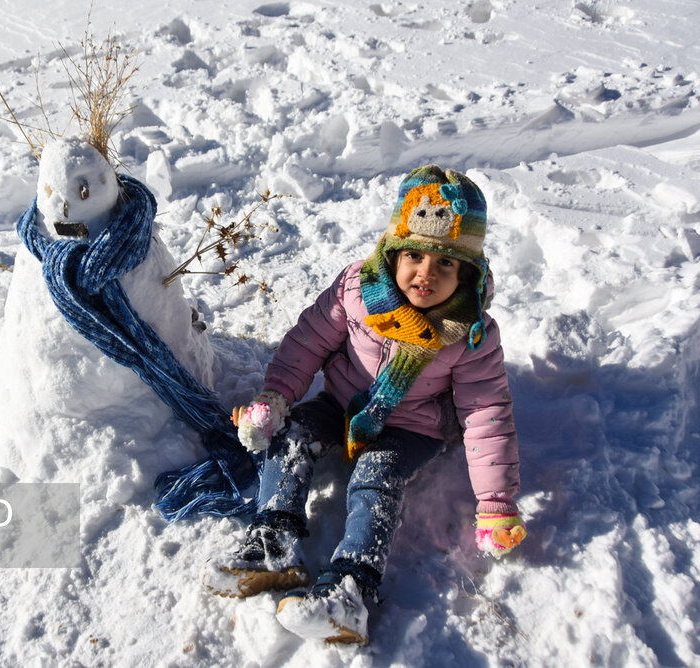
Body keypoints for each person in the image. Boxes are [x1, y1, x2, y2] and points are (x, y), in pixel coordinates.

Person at [202, 165, 526, 645]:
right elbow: (307, 343)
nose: (425, 274)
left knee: (377, 471)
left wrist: (496, 501)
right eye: (414, 254)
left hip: (415, 427)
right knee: (293, 435)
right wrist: (275, 396)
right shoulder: (357, 290)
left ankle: (352, 587)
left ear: (468, 271)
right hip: (343, 402)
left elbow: (486, 413)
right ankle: (273, 542)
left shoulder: (470, 334)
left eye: (446, 264)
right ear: (393, 250)